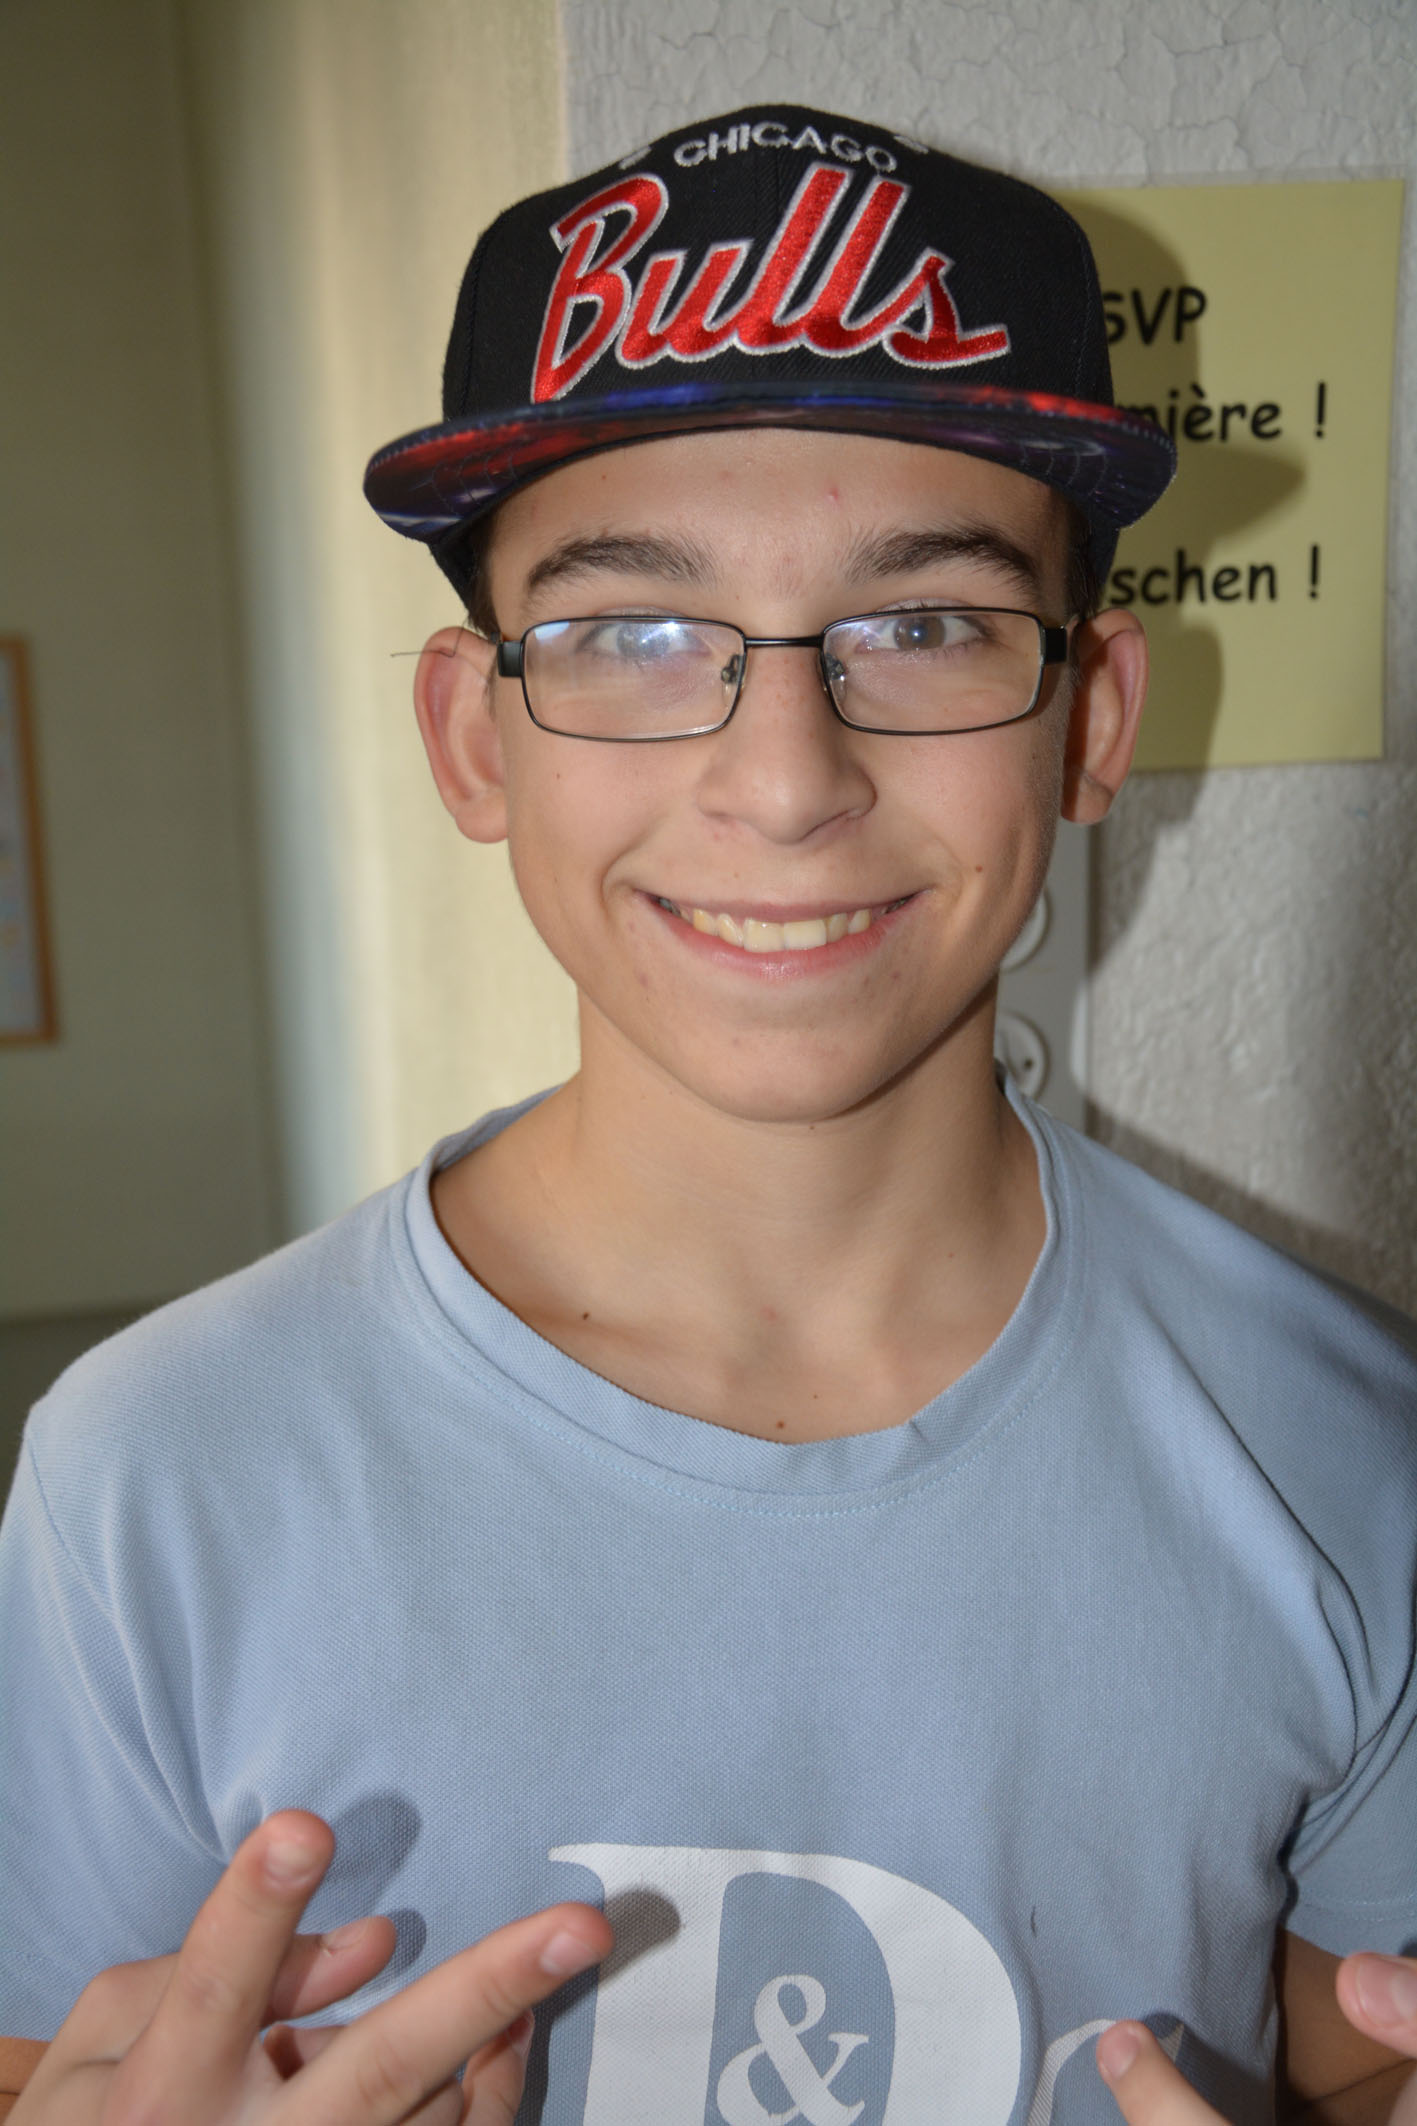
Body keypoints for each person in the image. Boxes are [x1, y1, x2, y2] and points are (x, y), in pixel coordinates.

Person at [2, 104, 1414, 2126]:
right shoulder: (154, 1480)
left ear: (1091, 718)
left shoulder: (1349, 1454)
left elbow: (1348, 2056)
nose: (782, 778)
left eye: (921, 624)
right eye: (631, 635)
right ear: (473, 736)